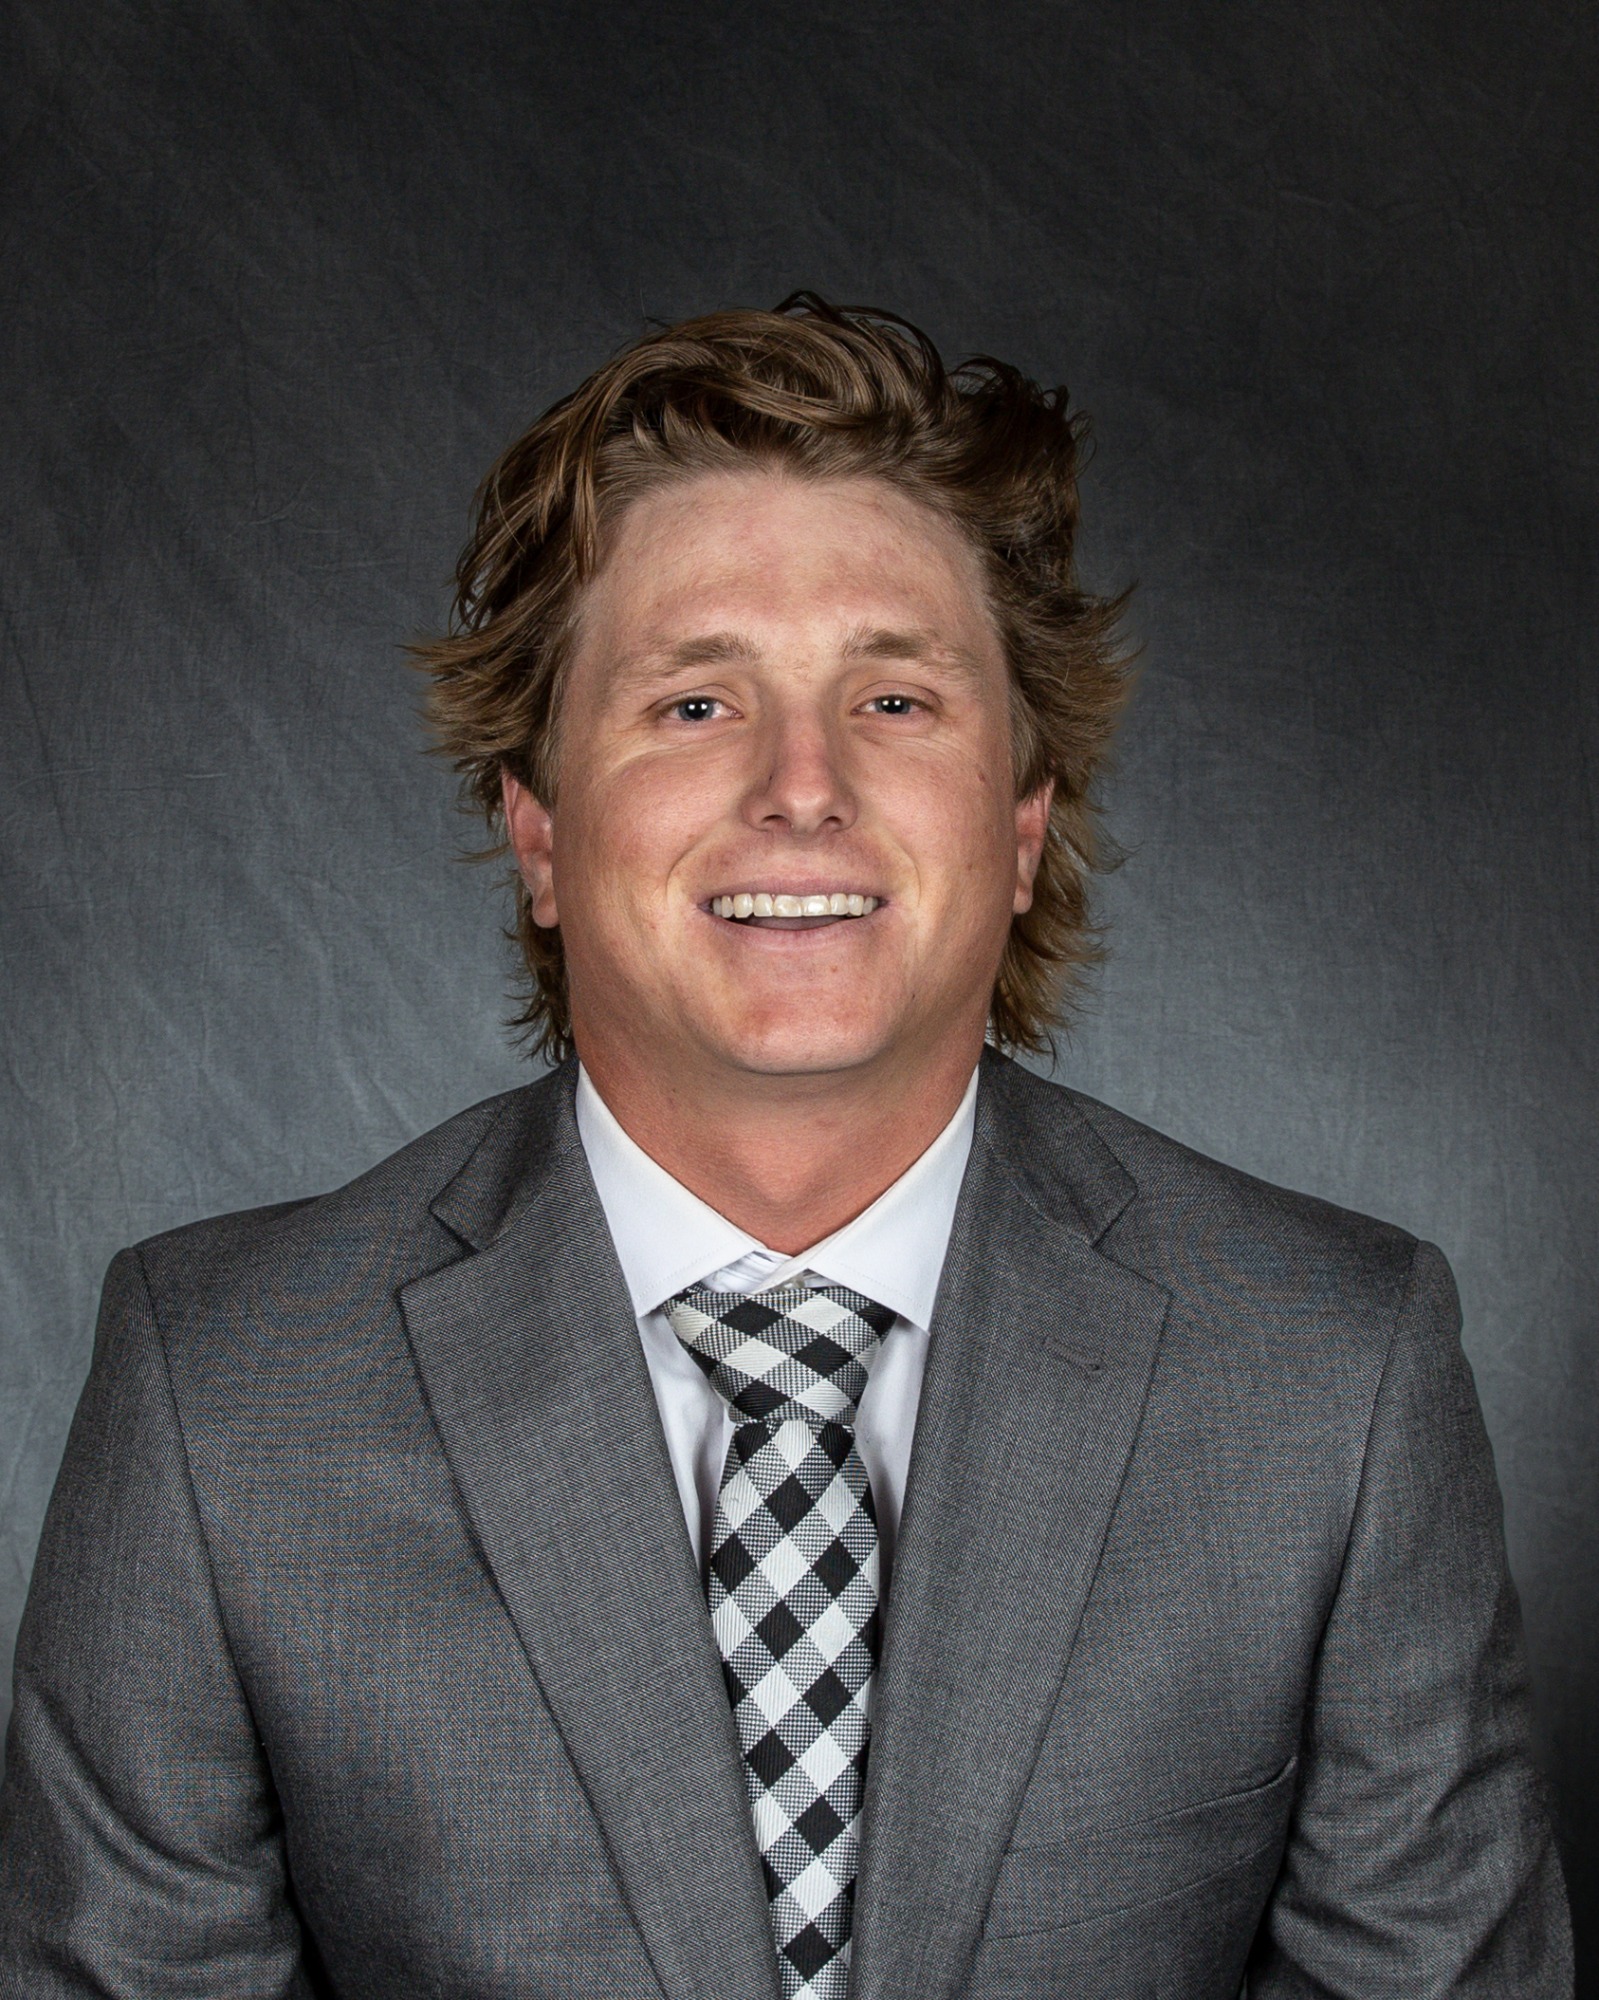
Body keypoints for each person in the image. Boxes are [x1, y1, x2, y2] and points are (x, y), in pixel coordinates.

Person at [0, 295, 1571, 1999]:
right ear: (539, 830)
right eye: (694, 704)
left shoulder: (1337, 1375)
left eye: (894, 698)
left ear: (1023, 825)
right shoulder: (219, 1398)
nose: (803, 785)